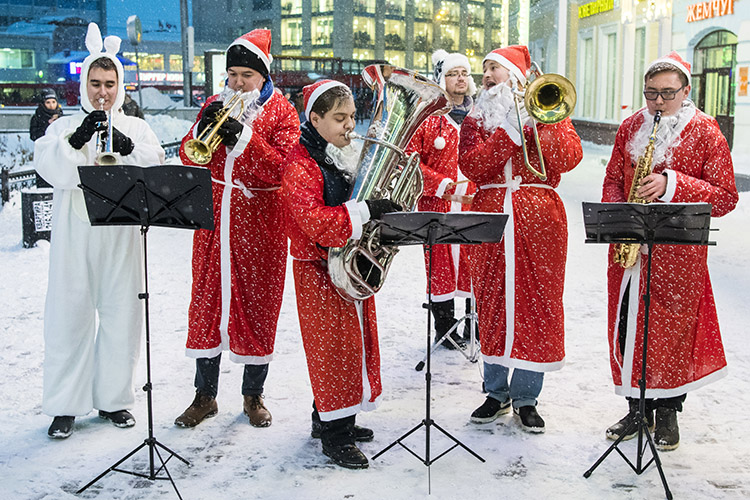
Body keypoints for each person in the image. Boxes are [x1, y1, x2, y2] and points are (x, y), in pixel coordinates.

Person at [601, 52, 738, 451]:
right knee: (630, 328)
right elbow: (612, 177)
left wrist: (671, 183)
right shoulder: (630, 126)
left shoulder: (707, 131)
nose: (658, 102)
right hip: (631, 250)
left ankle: (667, 414)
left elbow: (726, 196)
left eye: (667, 93)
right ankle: (636, 408)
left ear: (686, 91)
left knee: (671, 334)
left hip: (678, 254)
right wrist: (617, 211)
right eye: (651, 94)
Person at [34, 23, 165, 439]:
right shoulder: (64, 126)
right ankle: (65, 405)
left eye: (109, 83)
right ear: (84, 83)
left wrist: (130, 149)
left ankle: (113, 399)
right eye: (95, 83)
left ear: (119, 84)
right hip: (76, 231)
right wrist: (77, 140)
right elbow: (50, 167)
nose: (102, 91)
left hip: (121, 231)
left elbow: (156, 165)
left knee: (121, 316)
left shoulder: (136, 127)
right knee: (68, 317)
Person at [175, 29, 300, 429]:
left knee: (258, 305)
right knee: (207, 303)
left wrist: (243, 138)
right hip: (214, 217)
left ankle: (253, 395)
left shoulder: (282, 112)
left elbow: (284, 167)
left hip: (260, 220)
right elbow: (188, 154)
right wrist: (200, 132)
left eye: (246, 74)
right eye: (232, 74)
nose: (238, 83)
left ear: (263, 75)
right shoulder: (215, 103)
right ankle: (204, 395)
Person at [459, 45, 582, 433]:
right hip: (492, 212)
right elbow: (473, 165)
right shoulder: (476, 119)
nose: (487, 76)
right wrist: (508, 134)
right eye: (486, 69)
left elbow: (570, 157)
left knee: (537, 304)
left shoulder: (547, 108)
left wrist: (536, 124)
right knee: (492, 302)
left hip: (539, 217)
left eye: (495, 68)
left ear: (514, 75)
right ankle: (495, 391)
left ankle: (528, 396)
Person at [281, 80, 401, 469]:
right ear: (314, 118)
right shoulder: (301, 163)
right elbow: (315, 222)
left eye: (351, 116)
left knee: (350, 345)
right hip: (317, 268)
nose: (349, 125)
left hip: (344, 264)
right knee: (332, 349)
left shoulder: (338, 153)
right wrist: (366, 210)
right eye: (338, 118)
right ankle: (335, 435)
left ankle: (331, 417)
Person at [406, 49, 477, 350]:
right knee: (441, 269)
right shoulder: (429, 118)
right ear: (441, 79)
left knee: (476, 265)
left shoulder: (482, 116)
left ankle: (476, 326)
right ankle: (445, 329)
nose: (459, 78)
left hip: (474, 203)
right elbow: (408, 161)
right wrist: (441, 184)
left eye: (463, 73)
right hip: (438, 204)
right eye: (452, 73)